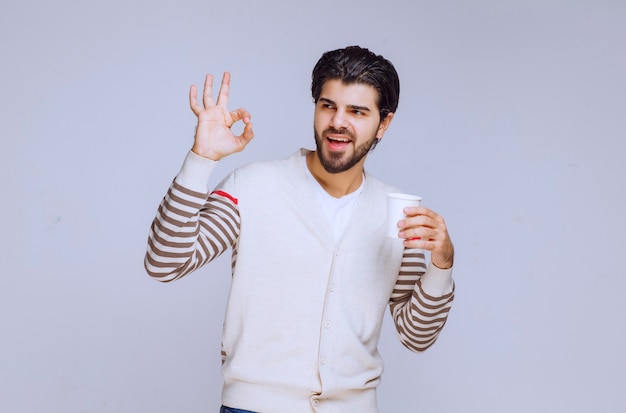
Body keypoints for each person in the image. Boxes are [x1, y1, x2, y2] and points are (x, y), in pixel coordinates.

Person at [145, 45, 455, 413]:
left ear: (383, 124)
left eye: (357, 111)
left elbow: (416, 335)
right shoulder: (254, 186)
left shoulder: (396, 211)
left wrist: (442, 265)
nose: (338, 122)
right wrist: (201, 160)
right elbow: (165, 262)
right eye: (328, 106)